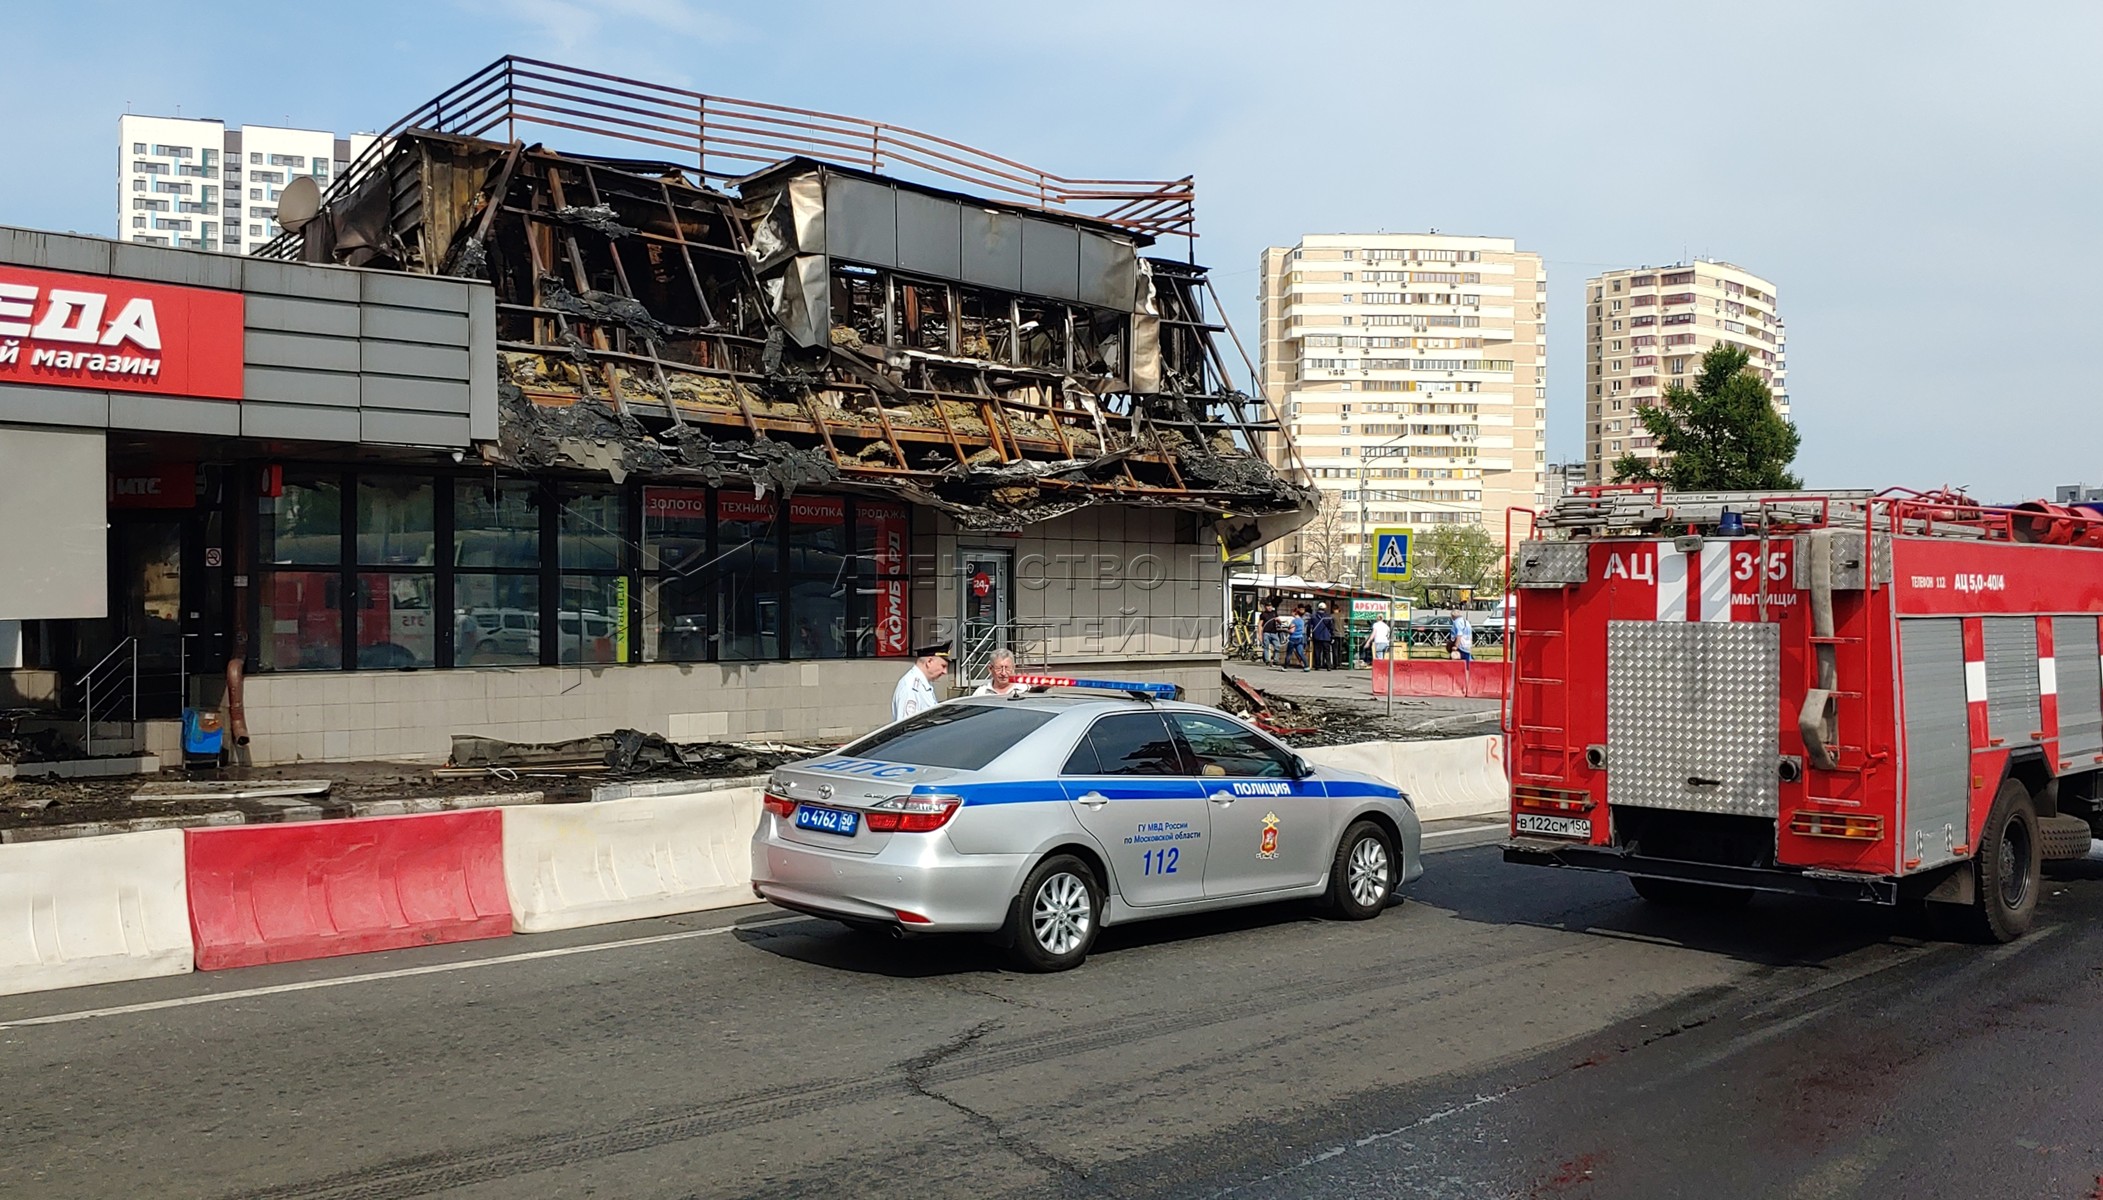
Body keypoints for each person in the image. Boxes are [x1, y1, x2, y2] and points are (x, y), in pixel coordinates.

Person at [891, 640, 950, 722]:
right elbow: (907, 727)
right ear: (929, 662)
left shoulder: (924, 684)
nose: (945, 672)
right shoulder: (911, 688)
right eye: (943, 666)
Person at [1284, 605, 1310, 672]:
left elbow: (1292, 631)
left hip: (1293, 638)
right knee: (1300, 653)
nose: (1291, 614)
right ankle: (1306, 666)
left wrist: (1285, 630)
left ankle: (1285, 667)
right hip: (1300, 637)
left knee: (1289, 653)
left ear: (1295, 613)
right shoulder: (1301, 621)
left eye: (1292, 612)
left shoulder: (1294, 621)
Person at [1310, 602, 1334, 670]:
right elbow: (1331, 627)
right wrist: (1332, 635)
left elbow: (1310, 626)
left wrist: (1310, 634)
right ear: (1325, 608)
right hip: (1326, 636)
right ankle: (1328, 666)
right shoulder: (1328, 617)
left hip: (1317, 636)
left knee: (1317, 652)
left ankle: (1317, 665)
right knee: (1327, 652)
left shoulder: (1314, 616)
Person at [1259, 601, 1281, 666]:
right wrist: (1260, 635)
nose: (1269, 608)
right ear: (1265, 607)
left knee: (1277, 646)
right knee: (1266, 646)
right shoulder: (1263, 614)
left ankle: (1276, 660)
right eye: (1268, 606)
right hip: (1266, 632)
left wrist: (1278, 620)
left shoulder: (1274, 613)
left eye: (1270, 606)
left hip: (1274, 632)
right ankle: (1267, 660)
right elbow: (1260, 625)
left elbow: (1280, 623)